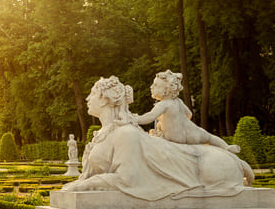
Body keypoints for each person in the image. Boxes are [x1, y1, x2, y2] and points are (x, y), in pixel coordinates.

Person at [64, 76, 252, 200]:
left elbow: (127, 179)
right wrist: (83, 183)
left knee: (207, 137)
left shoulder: (126, 133)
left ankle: (226, 151)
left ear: (106, 99)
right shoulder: (104, 134)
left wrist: (86, 185)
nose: (88, 99)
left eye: (92, 94)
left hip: (211, 167)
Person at [134, 70, 240, 153]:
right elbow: (189, 114)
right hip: (191, 133)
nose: (151, 87)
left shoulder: (163, 104)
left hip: (173, 138)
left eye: (155, 85)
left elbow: (149, 117)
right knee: (209, 137)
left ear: (166, 90)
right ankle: (226, 147)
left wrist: (134, 119)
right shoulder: (178, 101)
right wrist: (181, 122)